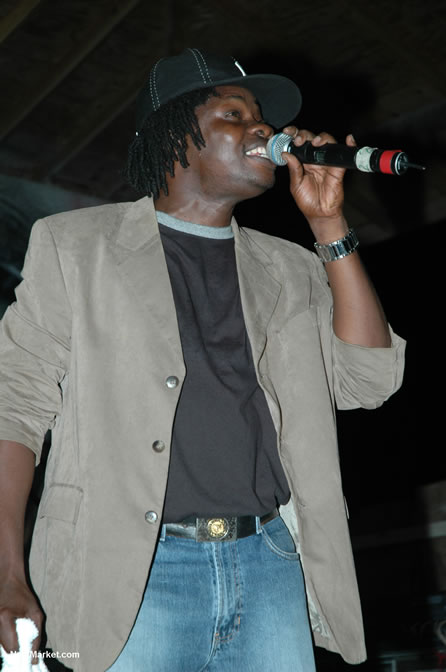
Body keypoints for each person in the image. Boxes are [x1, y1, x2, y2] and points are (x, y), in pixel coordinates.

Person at [0, 48, 405, 672]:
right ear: (172, 135)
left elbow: (367, 381)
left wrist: (329, 227)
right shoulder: (75, 246)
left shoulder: (291, 267)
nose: (261, 127)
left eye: (261, 116)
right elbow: (14, 409)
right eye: (234, 114)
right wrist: (7, 572)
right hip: (131, 576)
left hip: (270, 563)